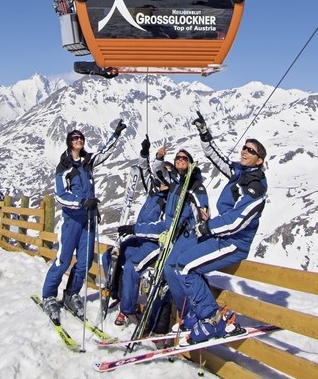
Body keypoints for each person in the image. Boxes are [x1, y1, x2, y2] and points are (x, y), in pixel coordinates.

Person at [168, 112, 267, 344]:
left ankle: (212, 320)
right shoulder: (240, 172)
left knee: (187, 268)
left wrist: (207, 228)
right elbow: (216, 157)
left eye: (251, 151)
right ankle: (204, 315)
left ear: (260, 160)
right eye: (245, 148)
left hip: (234, 242)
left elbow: (236, 221)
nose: (245, 151)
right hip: (222, 237)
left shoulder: (255, 187)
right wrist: (204, 133)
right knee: (182, 263)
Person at [41, 120, 127, 323]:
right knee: (63, 261)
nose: (79, 140)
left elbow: (104, 153)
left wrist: (116, 135)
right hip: (72, 221)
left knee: (85, 261)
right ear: (69, 143)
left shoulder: (88, 162)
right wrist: (82, 202)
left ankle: (72, 293)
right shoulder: (64, 168)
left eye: (81, 138)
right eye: (74, 138)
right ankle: (49, 295)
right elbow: (60, 196)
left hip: (89, 221)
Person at [107, 135, 171, 327]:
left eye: (165, 174)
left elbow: (162, 229)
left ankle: (127, 310)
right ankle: (119, 294)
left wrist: (135, 229)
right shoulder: (154, 190)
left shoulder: (170, 199)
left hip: (153, 243)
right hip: (139, 238)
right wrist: (146, 153)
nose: (161, 177)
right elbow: (143, 171)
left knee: (131, 269)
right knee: (110, 256)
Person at [151, 144, 209, 329]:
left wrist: (203, 218)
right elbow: (157, 171)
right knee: (168, 271)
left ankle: (192, 312)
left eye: (184, 158)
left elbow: (202, 207)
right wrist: (159, 157)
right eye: (178, 158)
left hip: (187, 234)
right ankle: (186, 313)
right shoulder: (175, 182)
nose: (180, 160)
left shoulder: (194, 185)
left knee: (174, 269)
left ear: (190, 163)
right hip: (172, 235)